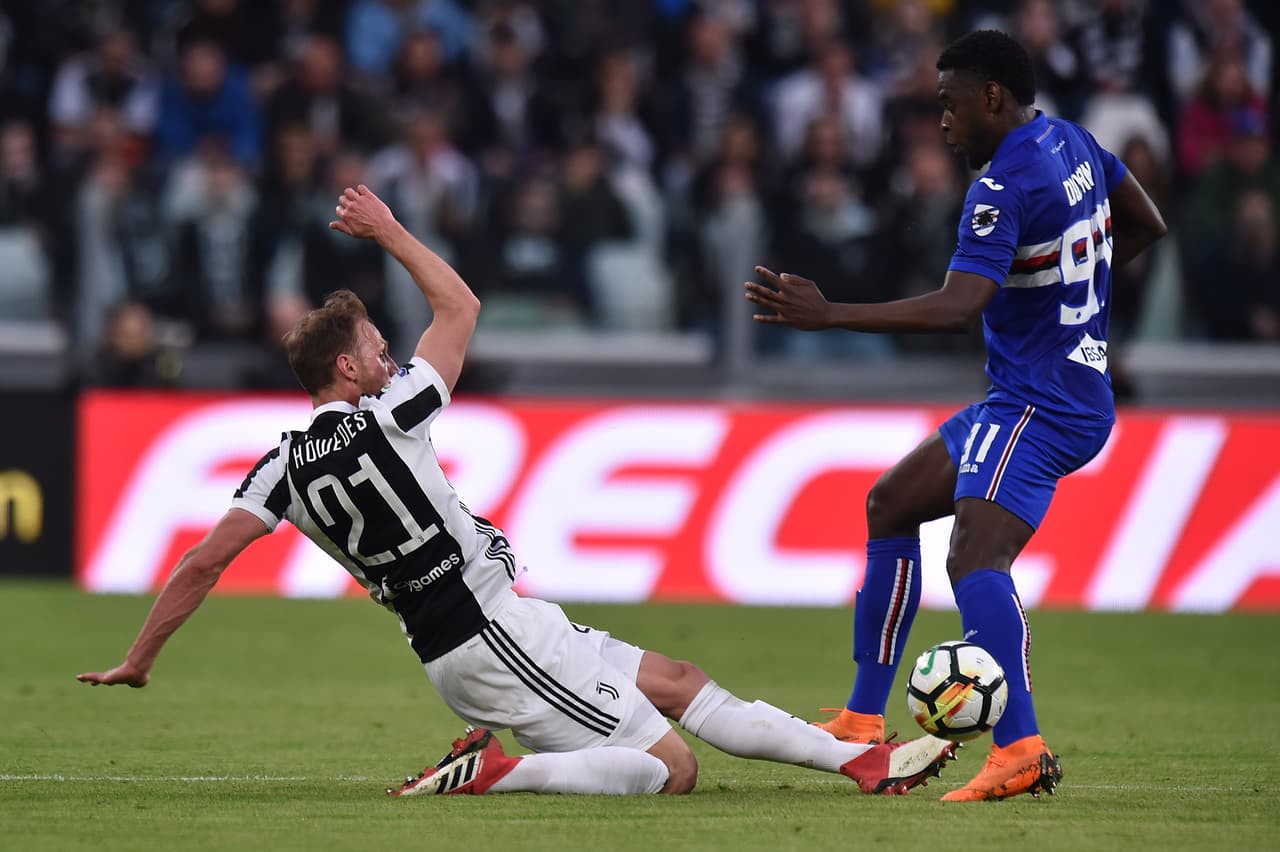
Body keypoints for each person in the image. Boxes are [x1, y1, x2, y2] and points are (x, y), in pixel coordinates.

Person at [78, 184, 958, 798]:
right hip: (490, 631)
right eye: (377, 347)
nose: (390, 356)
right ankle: (496, 773)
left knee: (679, 679)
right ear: (346, 369)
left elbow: (202, 563)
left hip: (474, 632)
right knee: (671, 769)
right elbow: (460, 307)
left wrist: (142, 656)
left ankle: (860, 762)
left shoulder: (277, 469)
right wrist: (389, 230)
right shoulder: (393, 412)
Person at [744, 29, 1167, 802]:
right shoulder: (1072, 141)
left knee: (975, 558)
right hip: (1045, 391)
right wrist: (1076, 309)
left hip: (1042, 403)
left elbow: (956, 307)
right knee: (891, 502)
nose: (941, 121)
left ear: (992, 97)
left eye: (950, 104)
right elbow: (1144, 222)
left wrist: (831, 314)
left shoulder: (1000, 187)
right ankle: (863, 721)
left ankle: (1021, 747)